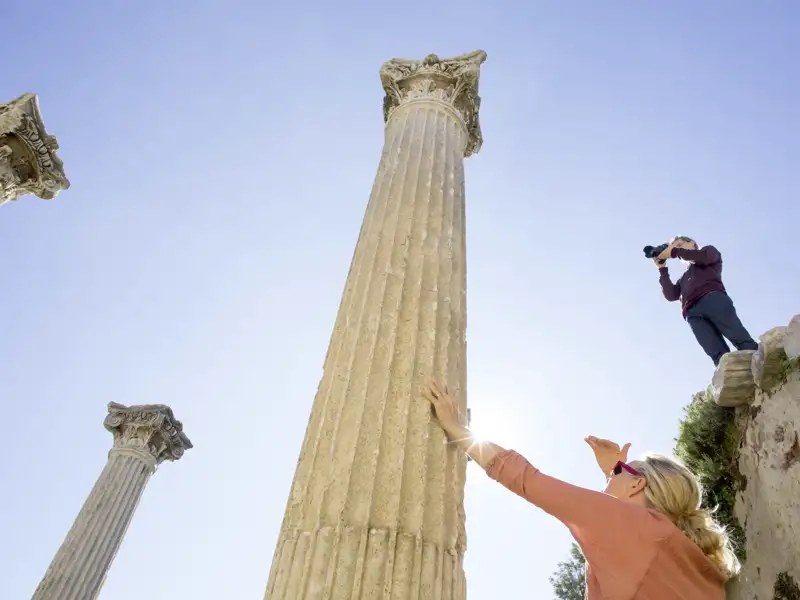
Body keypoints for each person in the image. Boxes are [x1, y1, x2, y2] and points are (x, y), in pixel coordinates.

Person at [424, 380, 740, 599]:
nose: (609, 476)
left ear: (637, 483)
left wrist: (460, 431)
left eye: (622, 471)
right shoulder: (687, 558)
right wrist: (618, 471)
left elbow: (529, 480)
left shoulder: (637, 530)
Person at [655, 236, 758, 365]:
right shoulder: (684, 278)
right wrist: (662, 269)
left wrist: (674, 252)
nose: (677, 248)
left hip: (713, 299)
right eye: (675, 246)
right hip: (692, 313)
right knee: (716, 353)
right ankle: (734, 379)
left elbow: (703, 257)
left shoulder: (708, 251)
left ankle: (765, 367)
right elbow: (671, 295)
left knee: (740, 339)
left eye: (680, 245)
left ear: (692, 244)